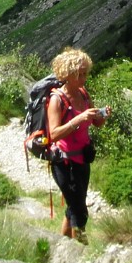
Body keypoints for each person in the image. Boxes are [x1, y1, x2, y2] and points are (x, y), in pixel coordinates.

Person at [45, 47, 108, 242]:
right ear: (67, 75)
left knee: (75, 205)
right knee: (80, 210)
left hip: (83, 159)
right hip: (63, 163)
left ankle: (61, 244)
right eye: (79, 74)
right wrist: (78, 119)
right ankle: (80, 248)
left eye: (85, 73)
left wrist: (101, 116)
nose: (83, 78)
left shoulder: (83, 94)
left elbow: (95, 124)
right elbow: (54, 134)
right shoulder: (57, 100)